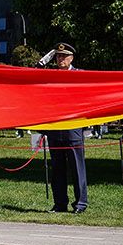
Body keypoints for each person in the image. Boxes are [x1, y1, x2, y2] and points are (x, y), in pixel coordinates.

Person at [45, 43, 89, 213]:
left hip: (73, 127)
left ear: (71, 58)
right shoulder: (50, 76)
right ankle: (60, 203)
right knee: (57, 169)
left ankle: (80, 203)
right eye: (57, 56)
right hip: (55, 127)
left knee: (77, 168)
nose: (60, 59)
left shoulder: (80, 75)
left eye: (63, 56)